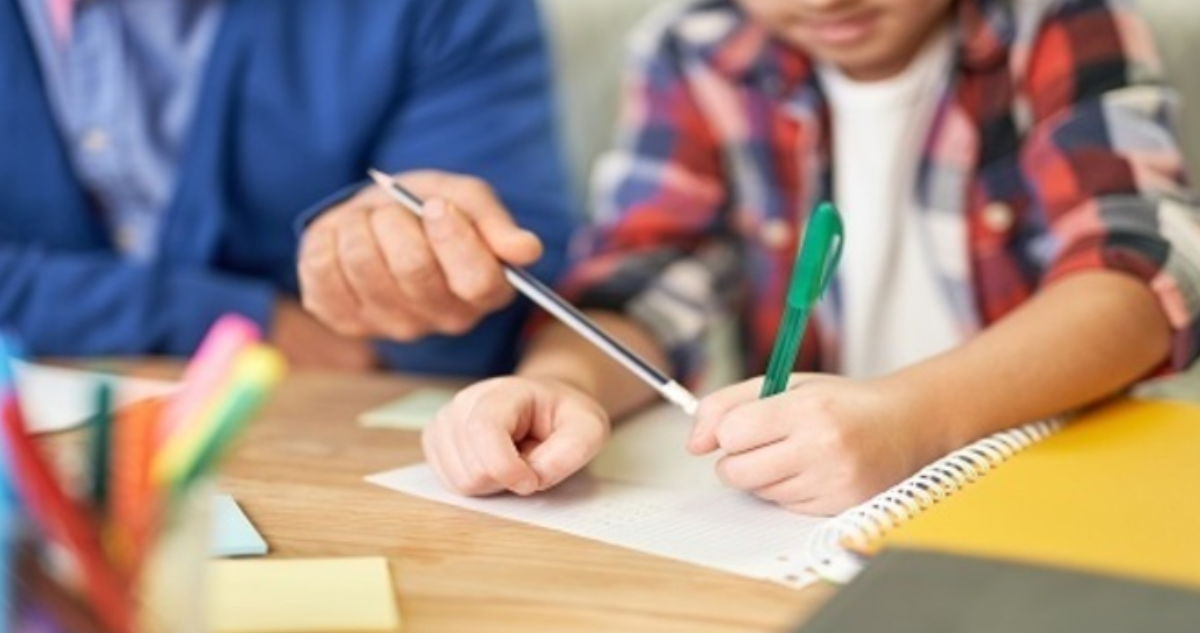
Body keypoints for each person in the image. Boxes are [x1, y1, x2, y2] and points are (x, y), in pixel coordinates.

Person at [302, 0, 1200, 515]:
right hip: (824, 517)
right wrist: (565, 380)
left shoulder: (1059, 20)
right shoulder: (697, 48)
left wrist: (916, 418)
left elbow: (1137, 275)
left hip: (1055, 489)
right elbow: (651, 281)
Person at [0, 0, 575, 376]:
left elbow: (519, 304)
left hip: (313, 454)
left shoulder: (444, 13)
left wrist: (414, 288)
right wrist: (242, 323)